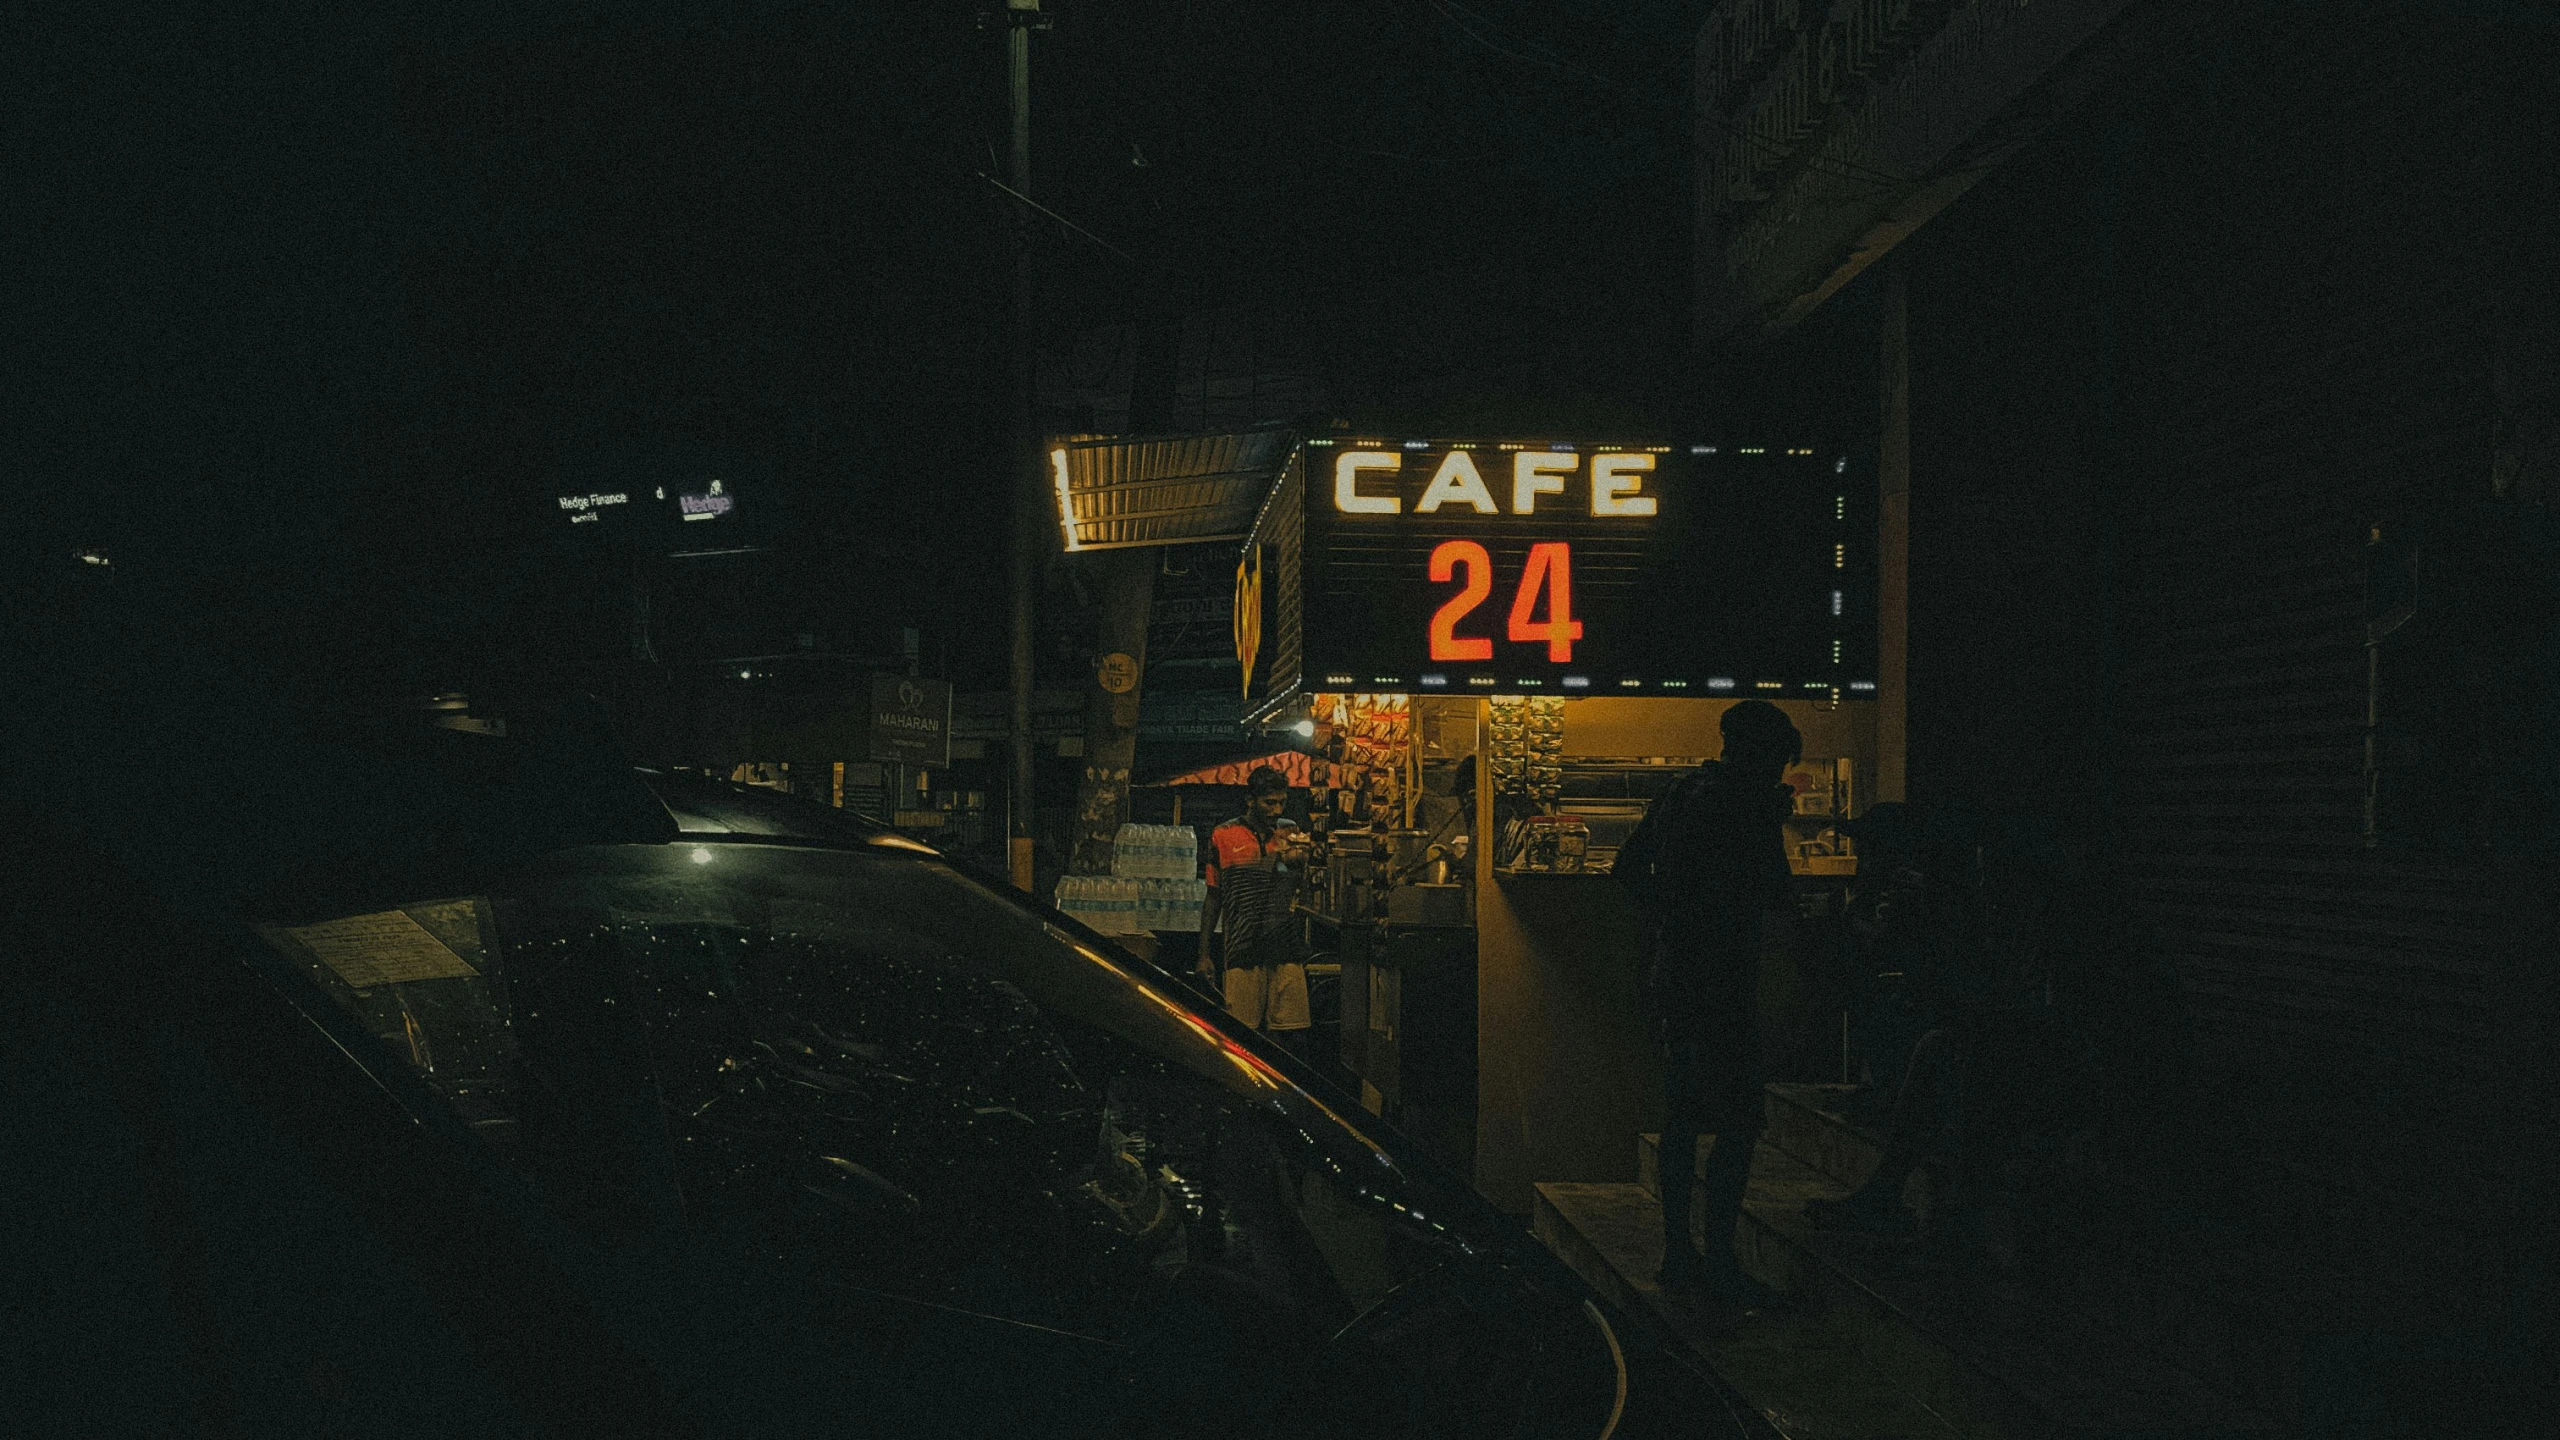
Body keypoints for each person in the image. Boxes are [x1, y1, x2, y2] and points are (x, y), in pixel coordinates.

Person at [1615, 700, 1801, 1307]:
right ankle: (1719, 1257)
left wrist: (1673, 915)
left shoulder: (1678, 793)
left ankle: (1678, 1249)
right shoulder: (1747, 805)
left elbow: (1625, 872)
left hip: (1674, 971)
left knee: (1682, 1112)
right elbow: (1776, 892)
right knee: (1740, 1118)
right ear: (1762, 753)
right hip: (1726, 977)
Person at [1197, 766, 1314, 1053]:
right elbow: (1214, 897)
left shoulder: (1290, 832)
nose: (1276, 810)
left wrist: (1301, 862)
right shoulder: (1224, 835)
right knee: (1242, 1038)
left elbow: (1300, 886)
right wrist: (1203, 954)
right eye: (1269, 802)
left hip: (1285, 945)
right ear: (1251, 799)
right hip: (1241, 947)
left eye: (1281, 802)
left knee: (1290, 1035)